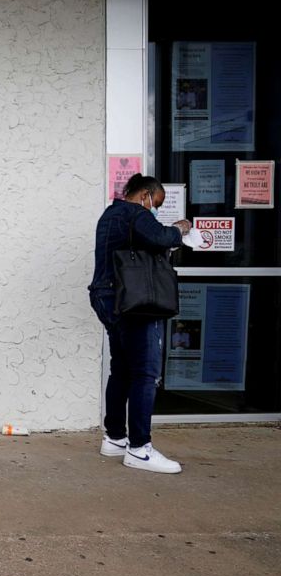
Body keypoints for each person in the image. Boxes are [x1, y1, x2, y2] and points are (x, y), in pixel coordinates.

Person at [88, 174, 191, 474]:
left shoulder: (110, 214)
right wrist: (180, 230)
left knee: (121, 368)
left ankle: (115, 437)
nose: (153, 209)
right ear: (145, 195)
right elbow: (161, 237)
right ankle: (139, 449)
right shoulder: (135, 213)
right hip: (134, 302)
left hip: (107, 297)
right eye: (155, 203)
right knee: (145, 372)